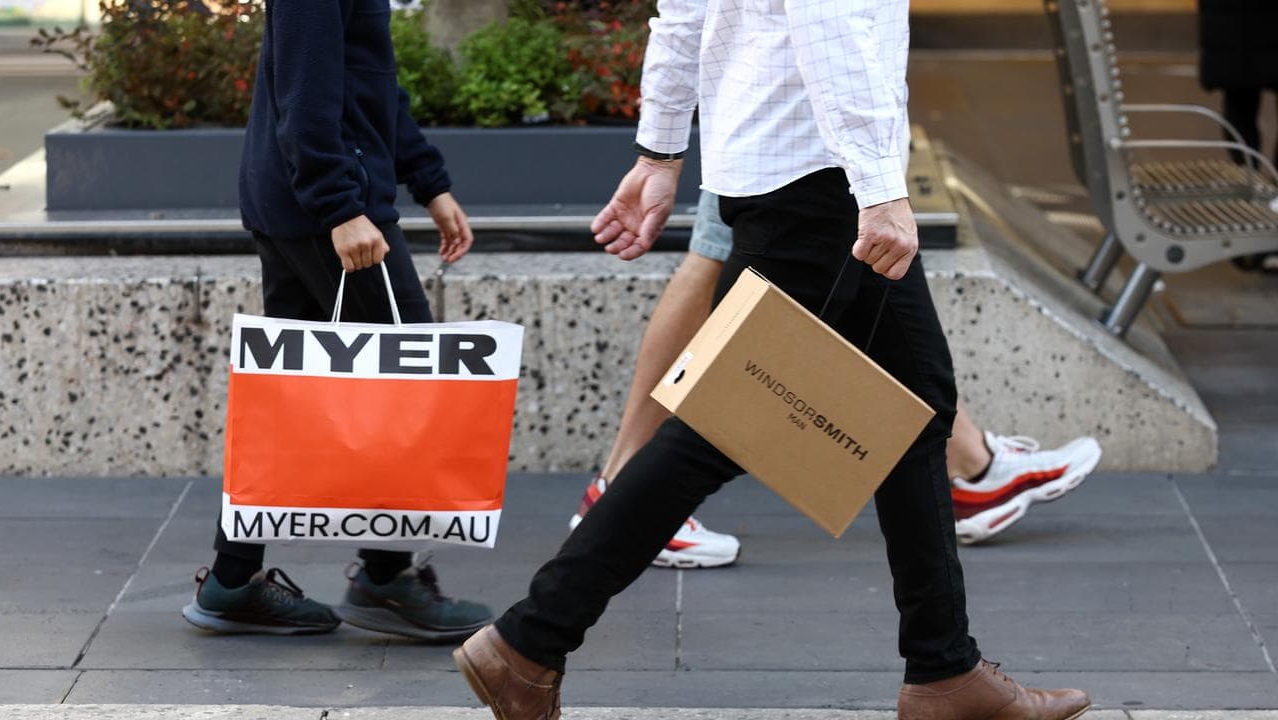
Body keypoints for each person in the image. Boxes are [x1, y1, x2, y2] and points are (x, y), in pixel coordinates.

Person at [454, 2, 1091, 718]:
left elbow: (685, 10)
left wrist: (661, 151)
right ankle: (529, 640)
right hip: (821, 175)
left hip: (784, 163)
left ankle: (945, 671)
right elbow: (833, 19)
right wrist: (879, 188)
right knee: (724, 425)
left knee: (917, 411)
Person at [571, 191, 1103, 566]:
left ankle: (970, 467)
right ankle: (616, 499)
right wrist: (658, 154)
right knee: (722, 274)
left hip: (791, 110)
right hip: (796, 116)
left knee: (750, 267)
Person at [181, 0, 491, 640]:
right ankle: (385, 579)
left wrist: (428, 179)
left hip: (302, 204)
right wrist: (339, 207)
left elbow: (368, 81)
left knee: (289, 398)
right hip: (327, 211)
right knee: (408, 385)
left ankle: (232, 579)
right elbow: (306, 92)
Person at [1198, 0, 1278, 272]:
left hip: (1233, 20)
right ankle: (1260, 208)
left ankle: (1254, 203)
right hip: (1235, 20)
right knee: (1239, 100)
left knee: (1239, 101)